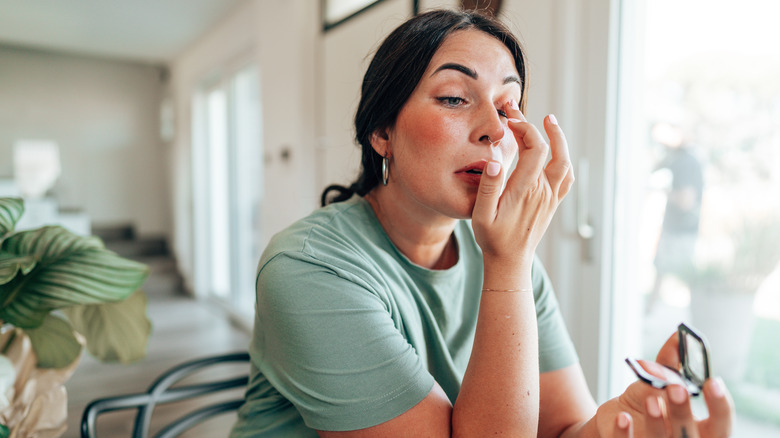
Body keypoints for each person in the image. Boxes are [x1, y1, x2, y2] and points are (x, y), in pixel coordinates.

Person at [231, 9, 734, 437]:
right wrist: (510, 263)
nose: (496, 130)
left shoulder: (505, 257)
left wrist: (616, 423)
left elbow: (560, 429)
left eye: (508, 106)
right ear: (381, 131)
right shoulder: (309, 269)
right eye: (454, 98)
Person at [647, 122, 704, 312]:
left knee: (683, 275)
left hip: (681, 229)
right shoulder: (677, 158)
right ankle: (649, 310)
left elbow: (686, 200)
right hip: (678, 228)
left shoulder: (685, 162)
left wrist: (662, 190)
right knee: (662, 271)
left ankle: (694, 313)